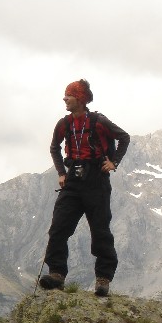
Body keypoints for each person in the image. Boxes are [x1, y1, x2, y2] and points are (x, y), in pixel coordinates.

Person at [39, 79, 130, 296]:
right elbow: (54, 148)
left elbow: (124, 137)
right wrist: (61, 173)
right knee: (58, 227)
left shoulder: (99, 121)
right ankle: (56, 274)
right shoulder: (64, 124)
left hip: (97, 179)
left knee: (100, 230)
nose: (65, 99)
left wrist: (114, 163)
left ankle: (103, 279)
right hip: (73, 179)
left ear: (79, 99)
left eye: (68, 96)